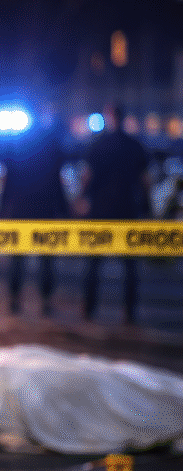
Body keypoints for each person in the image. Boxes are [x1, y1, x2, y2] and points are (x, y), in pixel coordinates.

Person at [80, 104, 151, 323]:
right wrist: (147, 208)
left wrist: (82, 199)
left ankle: (89, 310)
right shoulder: (135, 146)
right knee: (130, 267)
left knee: (93, 264)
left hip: (101, 211)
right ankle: (130, 312)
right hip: (127, 210)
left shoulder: (98, 145)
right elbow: (145, 181)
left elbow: (88, 177)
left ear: (109, 118)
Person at [0, 120, 71, 316]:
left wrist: (3, 208)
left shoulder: (16, 146)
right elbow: (57, 181)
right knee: (47, 260)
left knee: (17, 259)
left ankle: (15, 300)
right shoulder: (51, 147)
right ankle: (46, 302)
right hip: (44, 211)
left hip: (20, 211)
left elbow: (8, 180)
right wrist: (64, 211)